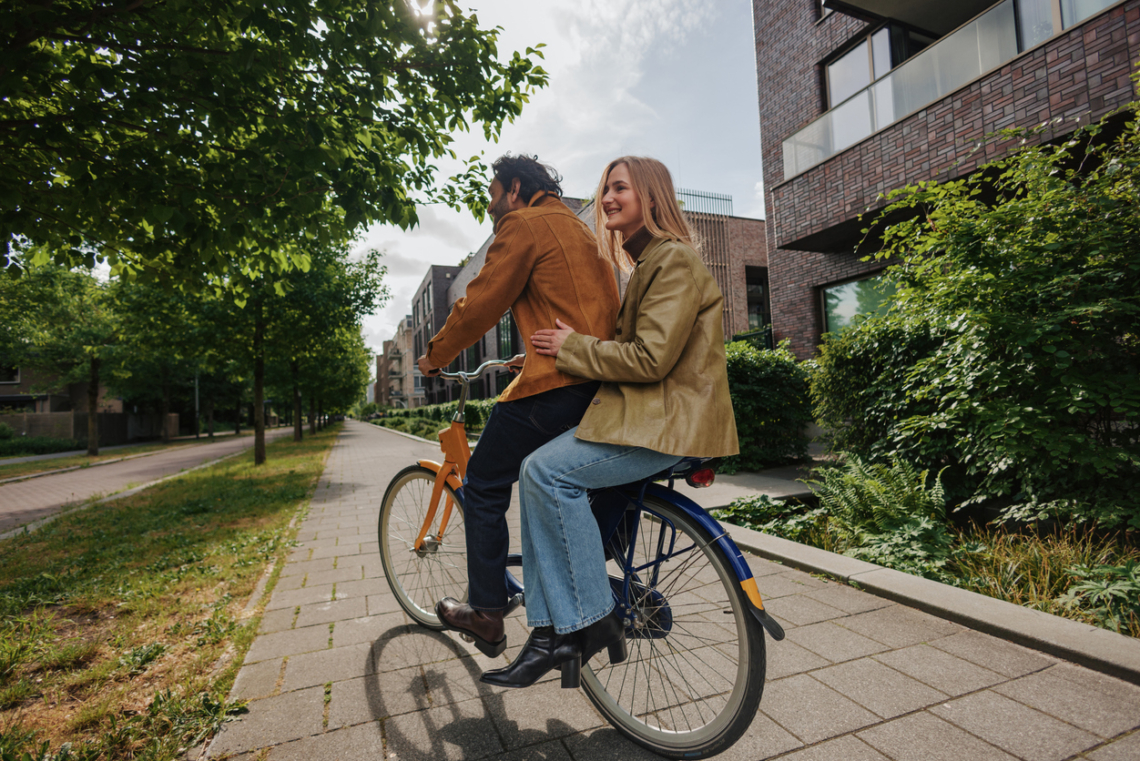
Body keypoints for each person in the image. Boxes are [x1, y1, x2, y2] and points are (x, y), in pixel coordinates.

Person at [480, 156, 740, 689]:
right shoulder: (648, 263)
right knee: (538, 474)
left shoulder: (672, 260)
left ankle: (590, 621)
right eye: (604, 190)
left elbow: (649, 359)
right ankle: (551, 634)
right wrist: (546, 358)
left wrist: (572, 347)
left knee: (545, 473)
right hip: (653, 419)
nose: (606, 199)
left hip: (666, 425)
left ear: (652, 196)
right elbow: (628, 347)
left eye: (620, 188)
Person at [417, 154, 621, 658]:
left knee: (486, 484)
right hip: (600, 381)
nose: (490, 208)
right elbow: (580, 309)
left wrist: (434, 357)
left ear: (513, 188)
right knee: (554, 481)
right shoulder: (580, 230)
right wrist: (529, 355)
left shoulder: (523, 224)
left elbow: (479, 304)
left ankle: (486, 612)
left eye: (492, 196)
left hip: (557, 385)